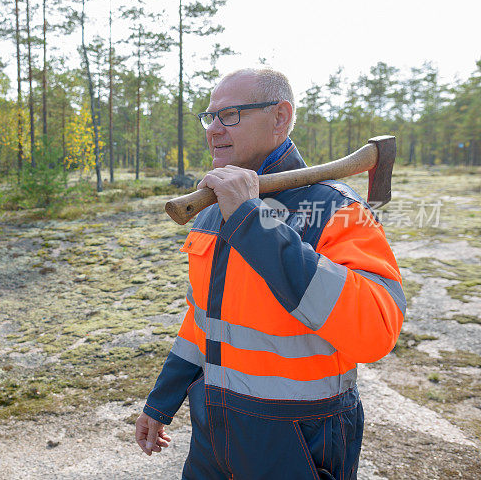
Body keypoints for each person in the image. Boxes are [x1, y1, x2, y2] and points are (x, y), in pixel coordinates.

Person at [134, 69, 406, 479]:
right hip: (215, 433)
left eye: (230, 115)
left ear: (280, 117)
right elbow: (202, 318)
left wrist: (254, 223)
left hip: (298, 439)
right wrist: (161, 402)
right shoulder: (210, 211)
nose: (213, 130)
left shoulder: (337, 210)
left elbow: (374, 330)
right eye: (210, 118)